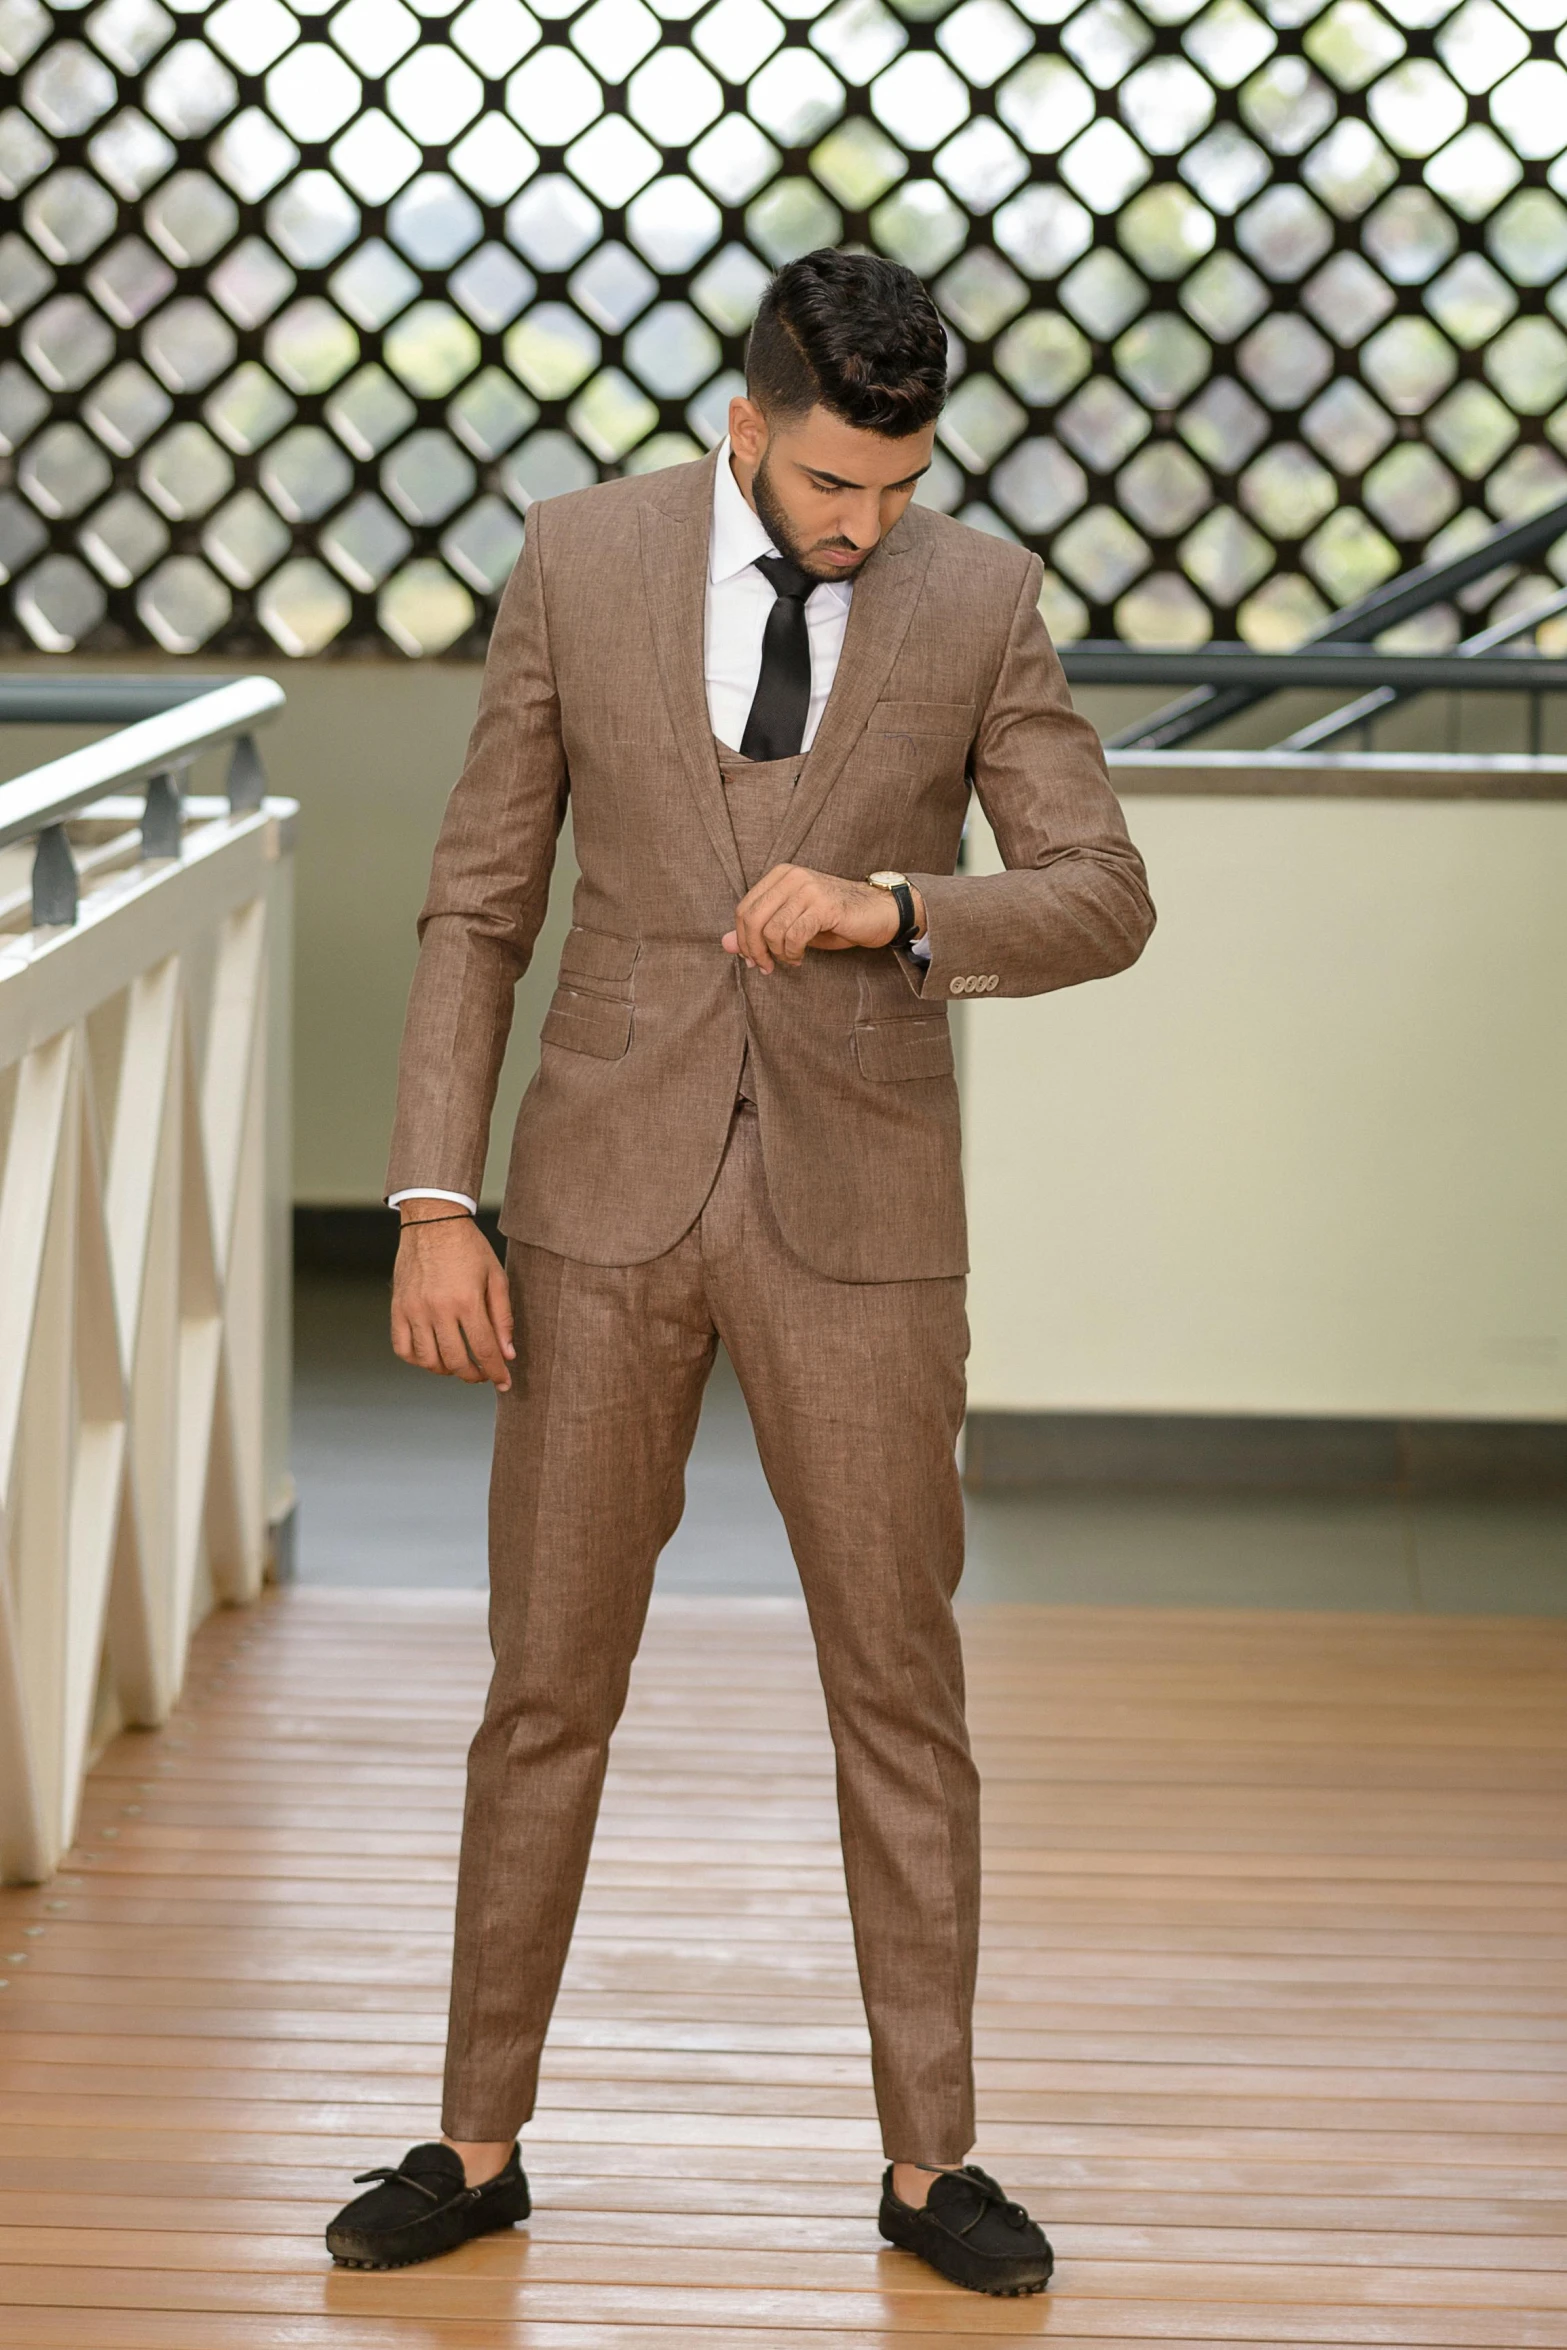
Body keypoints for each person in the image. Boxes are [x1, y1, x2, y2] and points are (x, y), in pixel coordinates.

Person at [325, 247, 1154, 2296]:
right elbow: (477, 902)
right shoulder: (575, 561)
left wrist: (893, 903)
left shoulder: (983, 599)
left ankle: (928, 2161)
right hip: (597, 1193)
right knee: (547, 1686)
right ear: (747, 424)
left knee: (903, 1687)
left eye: (897, 486)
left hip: (865, 1209)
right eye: (827, 486)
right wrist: (437, 1200)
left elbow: (1105, 894)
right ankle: (474, 2136)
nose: (864, 524)